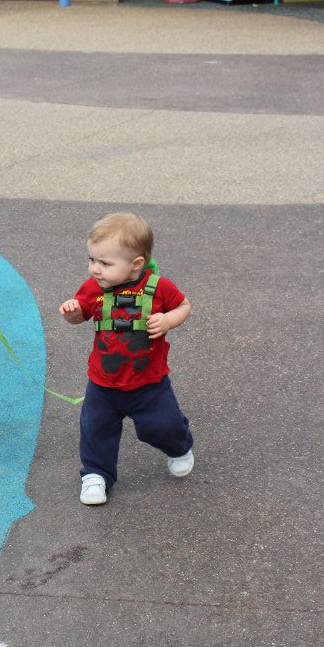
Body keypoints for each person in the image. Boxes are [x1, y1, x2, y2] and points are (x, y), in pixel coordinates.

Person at [59, 212, 192, 506]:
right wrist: (72, 313)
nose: (95, 269)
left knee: (163, 426)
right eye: (92, 259)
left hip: (149, 383)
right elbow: (81, 313)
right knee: (96, 428)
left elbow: (184, 306)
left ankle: (179, 446)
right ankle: (95, 475)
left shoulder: (159, 287)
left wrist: (168, 319)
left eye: (105, 263)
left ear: (136, 264)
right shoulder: (94, 288)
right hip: (103, 383)